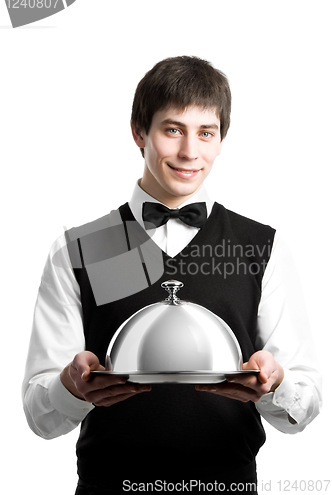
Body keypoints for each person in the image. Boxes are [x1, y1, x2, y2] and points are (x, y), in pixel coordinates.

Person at [22, 56, 322, 494]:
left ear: (222, 141)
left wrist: (275, 383)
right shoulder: (84, 247)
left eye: (206, 133)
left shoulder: (260, 246)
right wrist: (70, 385)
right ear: (139, 132)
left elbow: (304, 408)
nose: (189, 152)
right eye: (173, 129)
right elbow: (39, 417)